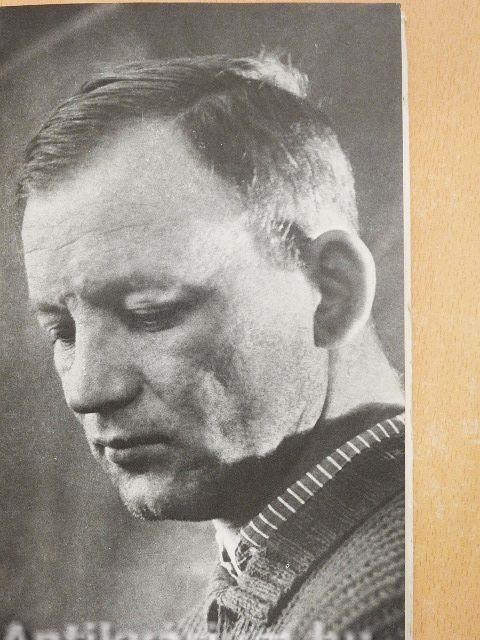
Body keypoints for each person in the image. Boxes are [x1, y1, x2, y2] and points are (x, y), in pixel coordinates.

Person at [19, 55, 405, 640]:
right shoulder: (268, 585)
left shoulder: (389, 608)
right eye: (62, 331)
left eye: (151, 312)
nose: (86, 390)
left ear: (332, 292)